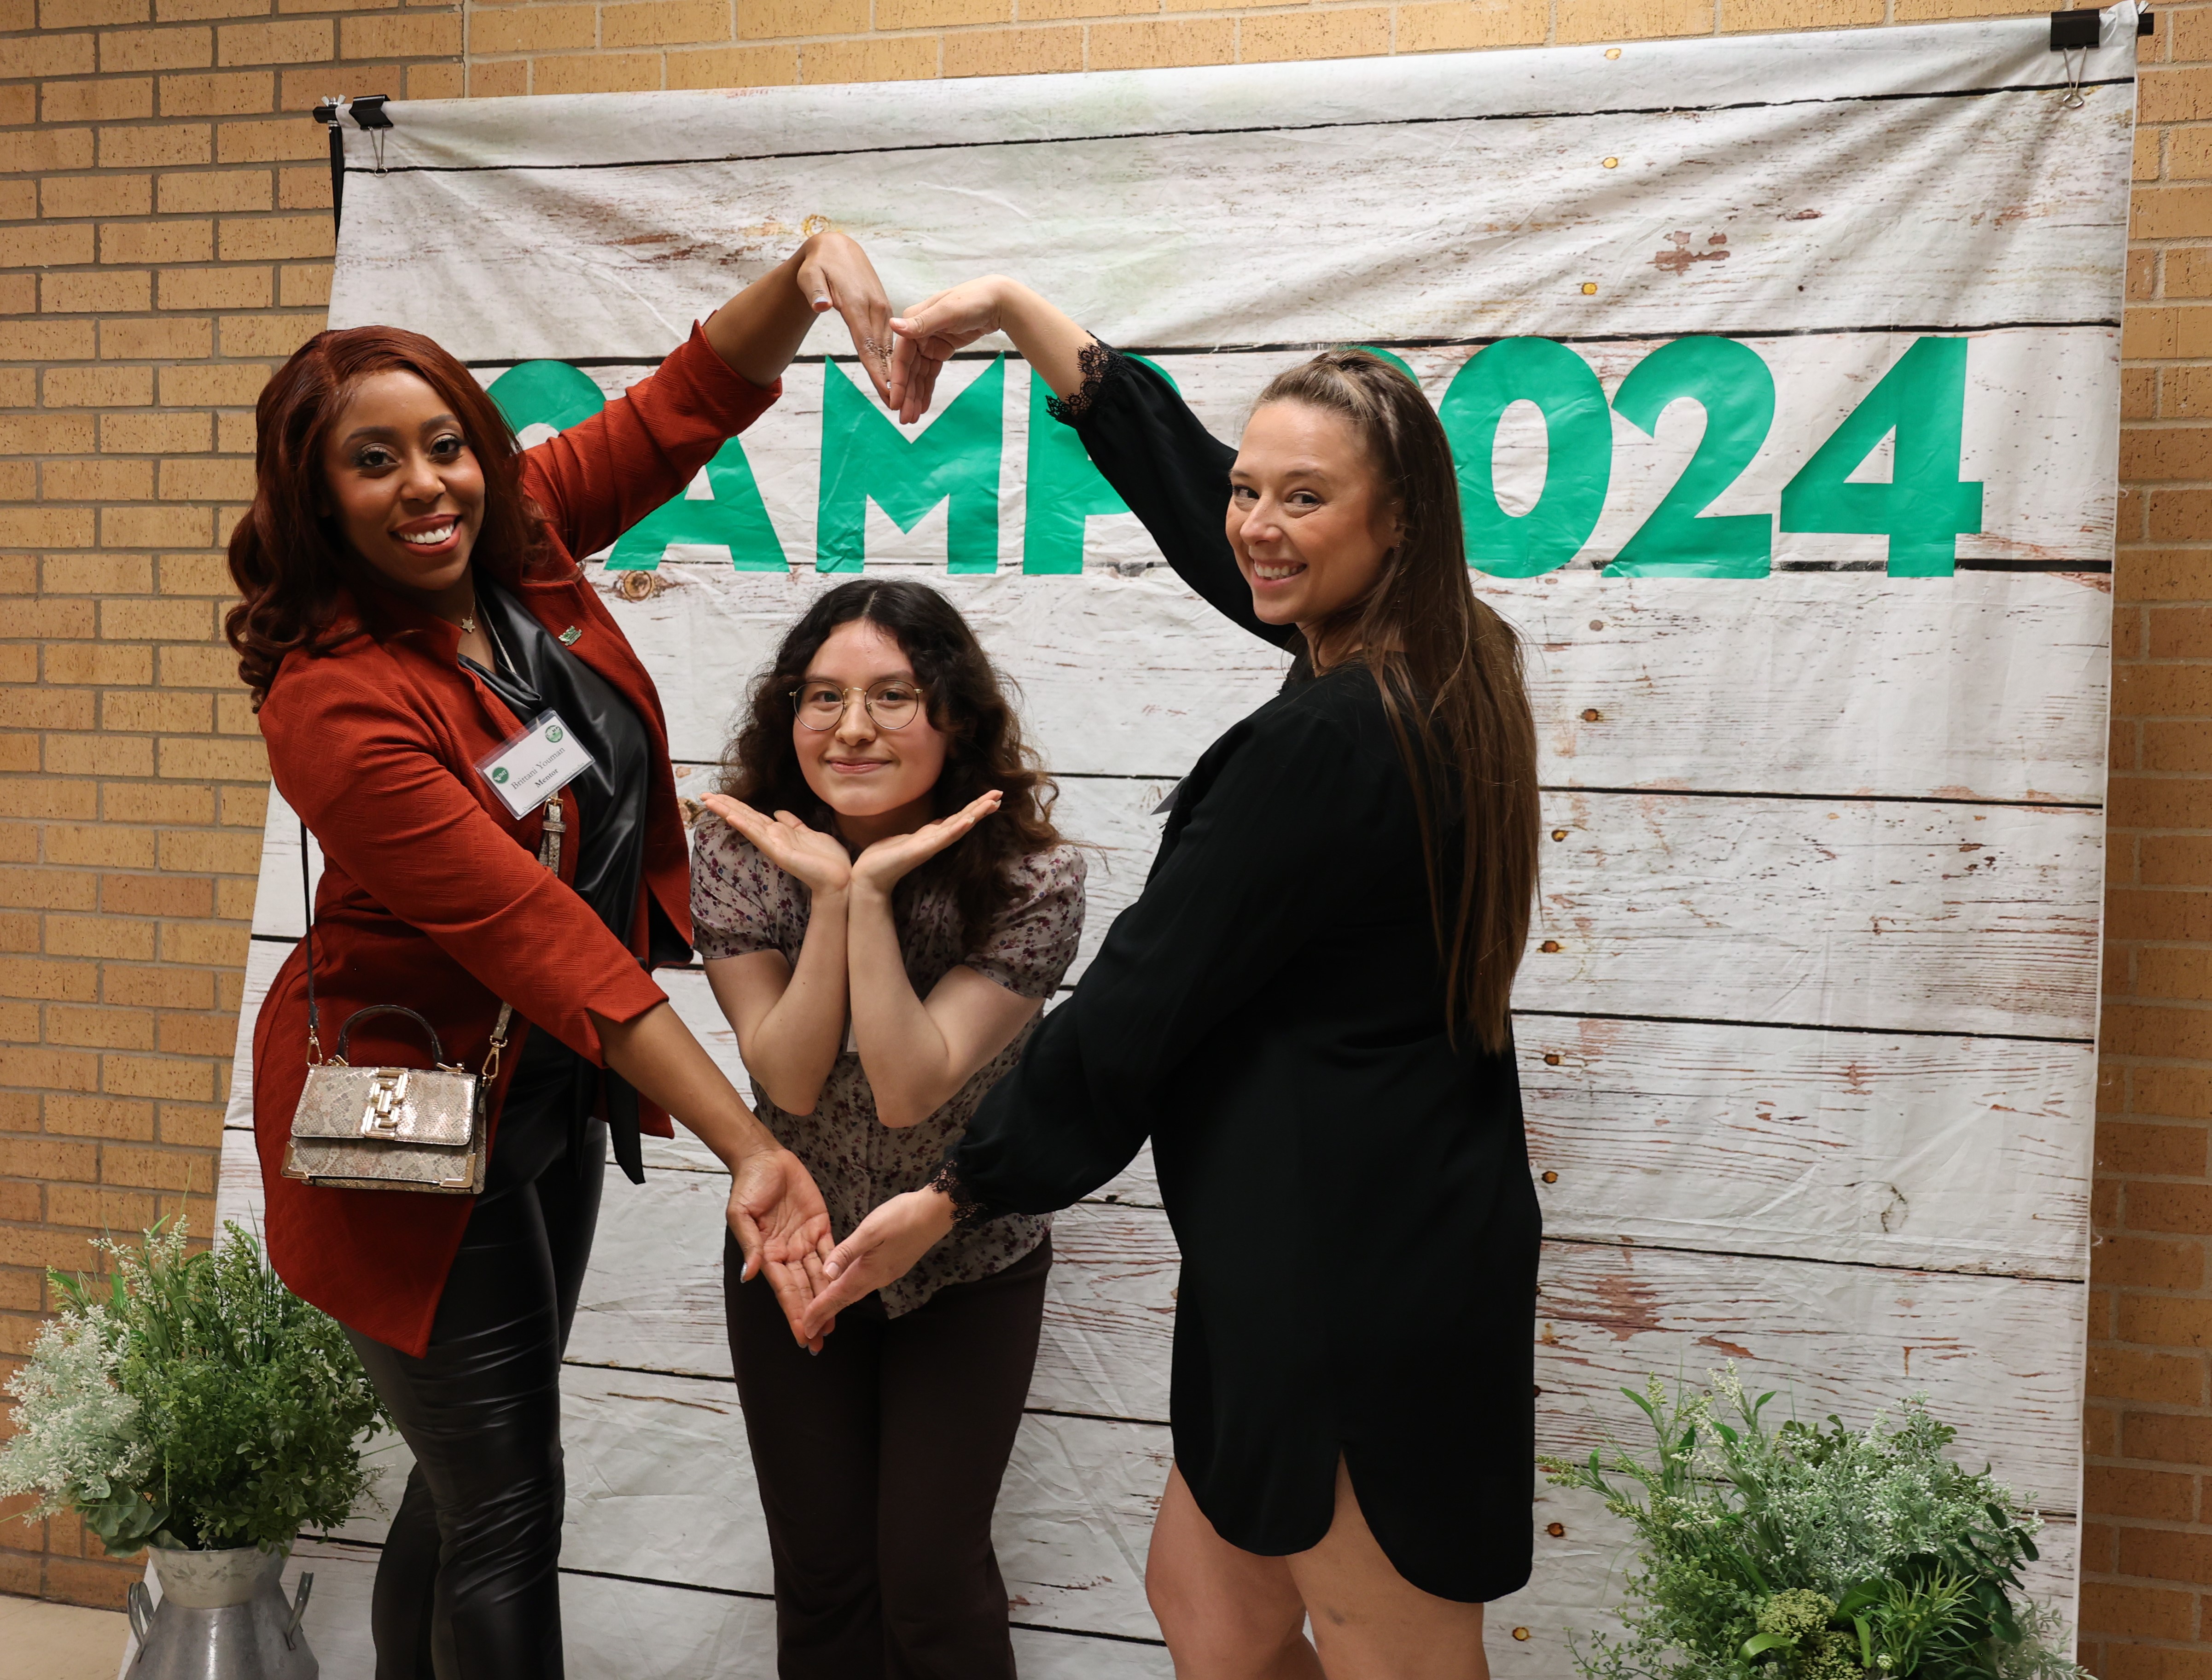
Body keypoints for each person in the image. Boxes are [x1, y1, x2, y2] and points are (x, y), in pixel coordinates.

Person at [797, 280, 1545, 1680]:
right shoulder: (1444, 658)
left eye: (1304, 498)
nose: (1257, 524)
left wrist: (959, 1192)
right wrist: (1026, 321)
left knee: (1391, 1649)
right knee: (1214, 1609)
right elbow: (1235, 535)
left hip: (1353, 1267)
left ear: (1395, 524)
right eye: (1249, 488)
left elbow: (1142, 996)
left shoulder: (1332, 739)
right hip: (1317, 1238)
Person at [228, 233, 897, 1680]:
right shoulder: (335, 704)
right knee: (509, 1507)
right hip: (408, 1109)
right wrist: (751, 1148)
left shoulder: (513, 553)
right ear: (316, 496)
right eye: (373, 462)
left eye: (445, 446)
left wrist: (806, 274)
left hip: (547, 1089)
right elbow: (540, 938)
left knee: (469, 1488)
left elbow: (676, 409)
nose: (428, 487)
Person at [691, 577, 1086, 1679]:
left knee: (930, 1579)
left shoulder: (1032, 878)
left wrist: (866, 896)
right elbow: (789, 1079)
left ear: (954, 716)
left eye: (893, 696)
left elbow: (911, 1088)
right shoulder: (736, 850)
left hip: (964, 1254)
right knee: (822, 1579)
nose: (852, 727)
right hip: (794, 1245)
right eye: (822, 697)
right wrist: (830, 898)